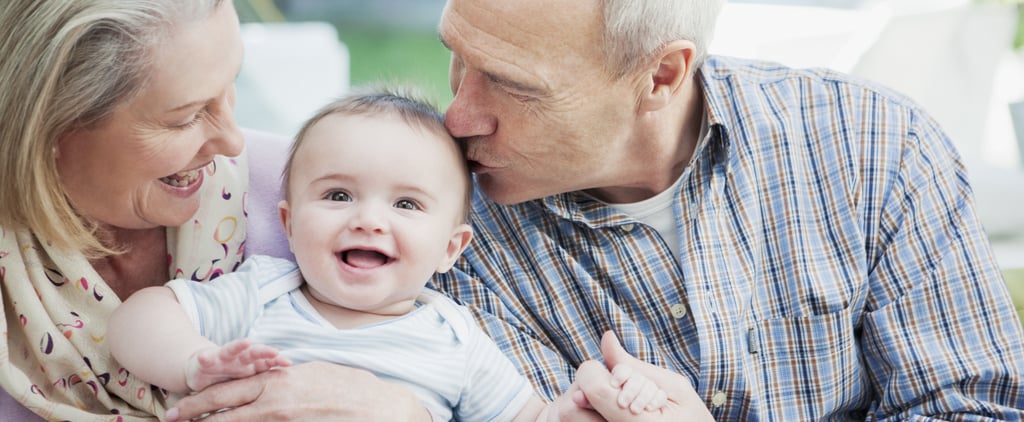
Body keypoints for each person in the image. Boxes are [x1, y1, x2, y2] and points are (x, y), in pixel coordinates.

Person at [430, 0, 1024, 420]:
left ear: (661, 75)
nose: (457, 118)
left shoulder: (876, 148)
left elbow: (974, 407)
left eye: (512, 86)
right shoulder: (437, 232)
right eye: (457, 56)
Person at [108, 89, 670, 421]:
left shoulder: (456, 338)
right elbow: (139, 318)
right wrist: (192, 361)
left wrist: (596, 403)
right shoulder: (262, 293)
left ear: (451, 249)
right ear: (287, 221)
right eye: (337, 195)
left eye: (405, 203)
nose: (368, 219)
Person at [0, 1, 429, 420]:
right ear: (46, 127)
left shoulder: (322, 199)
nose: (232, 142)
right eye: (186, 118)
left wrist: (410, 413)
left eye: (230, 85)